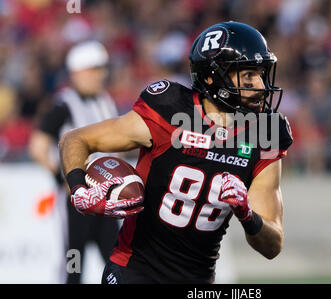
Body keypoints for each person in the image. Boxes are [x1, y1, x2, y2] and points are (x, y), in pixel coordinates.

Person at [59, 21, 293, 284]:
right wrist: (79, 189)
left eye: (261, 74)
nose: (260, 86)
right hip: (135, 270)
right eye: (248, 75)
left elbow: (273, 246)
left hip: (198, 279)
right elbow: (75, 139)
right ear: (211, 76)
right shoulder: (170, 109)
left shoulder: (266, 132)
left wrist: (247, 215)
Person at [29, 40, 120, 284]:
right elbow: (38, 146)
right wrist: (65, 179)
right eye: (94, 69)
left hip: (106, 200)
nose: (100, 75)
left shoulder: (104, 101)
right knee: (74, 263)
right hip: (76, 201)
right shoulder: (64, 105)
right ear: (77, 72)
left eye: (101, 69)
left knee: (117, 263)